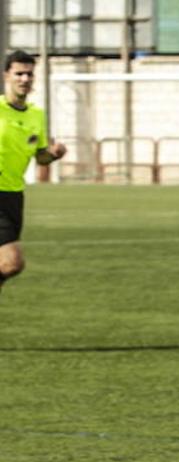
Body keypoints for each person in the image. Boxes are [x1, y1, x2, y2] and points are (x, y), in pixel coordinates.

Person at [0, 50, 67, 298]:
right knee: (11, 262)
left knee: (9, 265)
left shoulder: (36, 115)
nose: (24, 79)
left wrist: (54, 154)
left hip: (13, 196)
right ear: (7, 75)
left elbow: (40, 158)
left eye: (29, 74)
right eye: (19, 73)